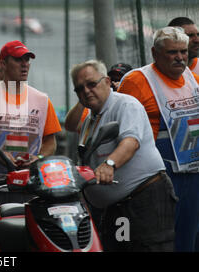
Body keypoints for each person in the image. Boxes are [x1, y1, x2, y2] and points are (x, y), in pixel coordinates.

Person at [0, 40, 62, 244]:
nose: (24, 64)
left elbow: (50, 142)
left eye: (27, 59)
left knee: (30, 241)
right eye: (18, 59)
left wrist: (39, 157)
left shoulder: (42, 100)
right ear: (3, 64)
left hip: (29, 186)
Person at [71, 59, 176, 252]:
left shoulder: (125, 104)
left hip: (144, 200)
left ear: (107, 81)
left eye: (91, 84)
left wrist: (109, 164)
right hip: (117, 208)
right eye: (79, 88)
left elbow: (131, 142)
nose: (86, 91)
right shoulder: (90, 120)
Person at [118, 26, 199, 252]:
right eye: (172, 52)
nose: (180, 58)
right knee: (160, 238)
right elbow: (121, 127)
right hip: (157, 175)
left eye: (183, 52)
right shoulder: (136, 81)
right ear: (155, 53)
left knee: (189, 236)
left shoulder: (192, 79)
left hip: (192, 172)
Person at [64, 62, 133, 133]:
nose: (115, 83)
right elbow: (73, 126)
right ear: (107, 81)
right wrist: (85, 96)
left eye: (120, 80)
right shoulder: (94, 104)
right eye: (113, 79)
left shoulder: (128, 104)